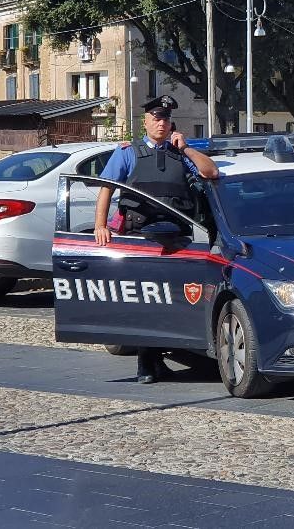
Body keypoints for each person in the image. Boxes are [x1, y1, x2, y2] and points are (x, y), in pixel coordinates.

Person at [93, 94, 219, 384]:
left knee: (172, 302)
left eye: (165, 119)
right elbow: (105, 189)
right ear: (145, 122)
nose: (161, 123)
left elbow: (210, 172)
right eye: (156, 118)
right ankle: (146, 363)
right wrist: (101, 225)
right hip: (140, 239)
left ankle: (160, 359)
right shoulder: (127, 152)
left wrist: (186, 148)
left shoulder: (179, 153)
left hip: (176, 241)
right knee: (145, 302)